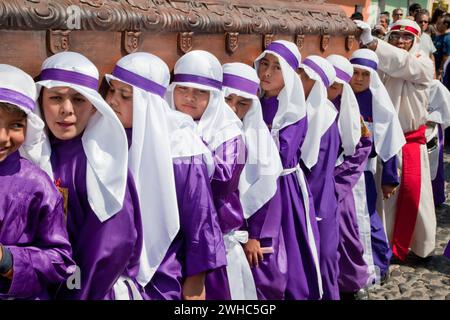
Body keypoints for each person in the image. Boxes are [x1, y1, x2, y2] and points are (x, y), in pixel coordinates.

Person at [22, 51, 144, 300]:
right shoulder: (33, 154)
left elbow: (108, 249)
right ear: (40, 100)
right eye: (56, 98)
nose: (66, 110)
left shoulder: (102, 164)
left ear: (94, 107)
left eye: (78, 100)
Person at [104, 52, 227, 300]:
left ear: (147, 103)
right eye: (112, 91)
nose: (113, 101)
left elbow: (200, 221)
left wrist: (196, 281)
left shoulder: (182, 151)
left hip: (162, 272)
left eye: (125, 95)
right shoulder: (106, 136)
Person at [166, 50, 246, 300]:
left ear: (214, 97)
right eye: (183, 89)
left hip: (211, 240)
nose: (189, 97)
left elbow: (223, 182)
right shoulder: (163, 120)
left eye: (200, 92)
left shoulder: (231, 133)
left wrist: (188, 144)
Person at [356, 19, 436, 262]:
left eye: (406, 37)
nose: (400, 41)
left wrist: (374, 43)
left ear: (416, 40)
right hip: (385, 139)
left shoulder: (423, 62)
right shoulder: (382, 60)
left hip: (410, 141)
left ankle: (421, 245)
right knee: (386, 198)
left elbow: (404, 65)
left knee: (414, 195)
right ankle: (386, 241)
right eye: (395, 36)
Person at [254, 40, 322, 300]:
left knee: (287, 248)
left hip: (282, 188)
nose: (267, 73)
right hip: (257, 178)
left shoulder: (293, 112)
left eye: (276, 68)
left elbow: (280, 157)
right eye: (265, 65)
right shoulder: (255, 101)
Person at [0, 64, 74, 300]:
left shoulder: (37, 185)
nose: (3, 137)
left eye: (16, 125)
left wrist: (7, 259)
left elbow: (60, 260)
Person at [222, 62, 285, 300]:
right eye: (228, 99)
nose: (234, 108)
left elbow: (262, 190)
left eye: (243, 103)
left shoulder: (254, 136)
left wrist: (254, 235)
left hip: (242, 232)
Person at [348, 47, 405, 283]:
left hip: (363, 173)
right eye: (355, 73)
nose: (359, 79)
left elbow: (389, 140)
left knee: (367, 219)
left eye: (365, 74)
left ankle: (379, 265)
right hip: (339, 171)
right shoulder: (341, 95)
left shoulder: (378, 102)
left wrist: (389, 178)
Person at [326, 55, 373, 299]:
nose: (327, 91)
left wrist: (337, 182)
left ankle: (351, 283)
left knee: (346, 235)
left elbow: (363, 145)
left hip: (337, 185)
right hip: (310, 184)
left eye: (334, 86)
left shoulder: (349, 112)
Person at [297, 55, 340, 300]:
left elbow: (320, 170)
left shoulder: (324, 119)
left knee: (322, 258)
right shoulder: (293, 107)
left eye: (304, 77)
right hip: (298, 195)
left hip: (316, 198)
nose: (297, 79)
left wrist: (309, 208)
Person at [426, 79, 450, 206]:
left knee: (434, 163)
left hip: (433, 129)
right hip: (413, 130)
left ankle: (436, 196)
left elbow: (446, 108)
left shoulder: (436, 86)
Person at [433, 13, 450, 78]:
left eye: (439, 23)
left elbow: (446, 56)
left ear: (445, 25)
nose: (436, 25)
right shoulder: (439, 36)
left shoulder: (448, 38)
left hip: (439, 72)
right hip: (434, 68)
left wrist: (440, 70)